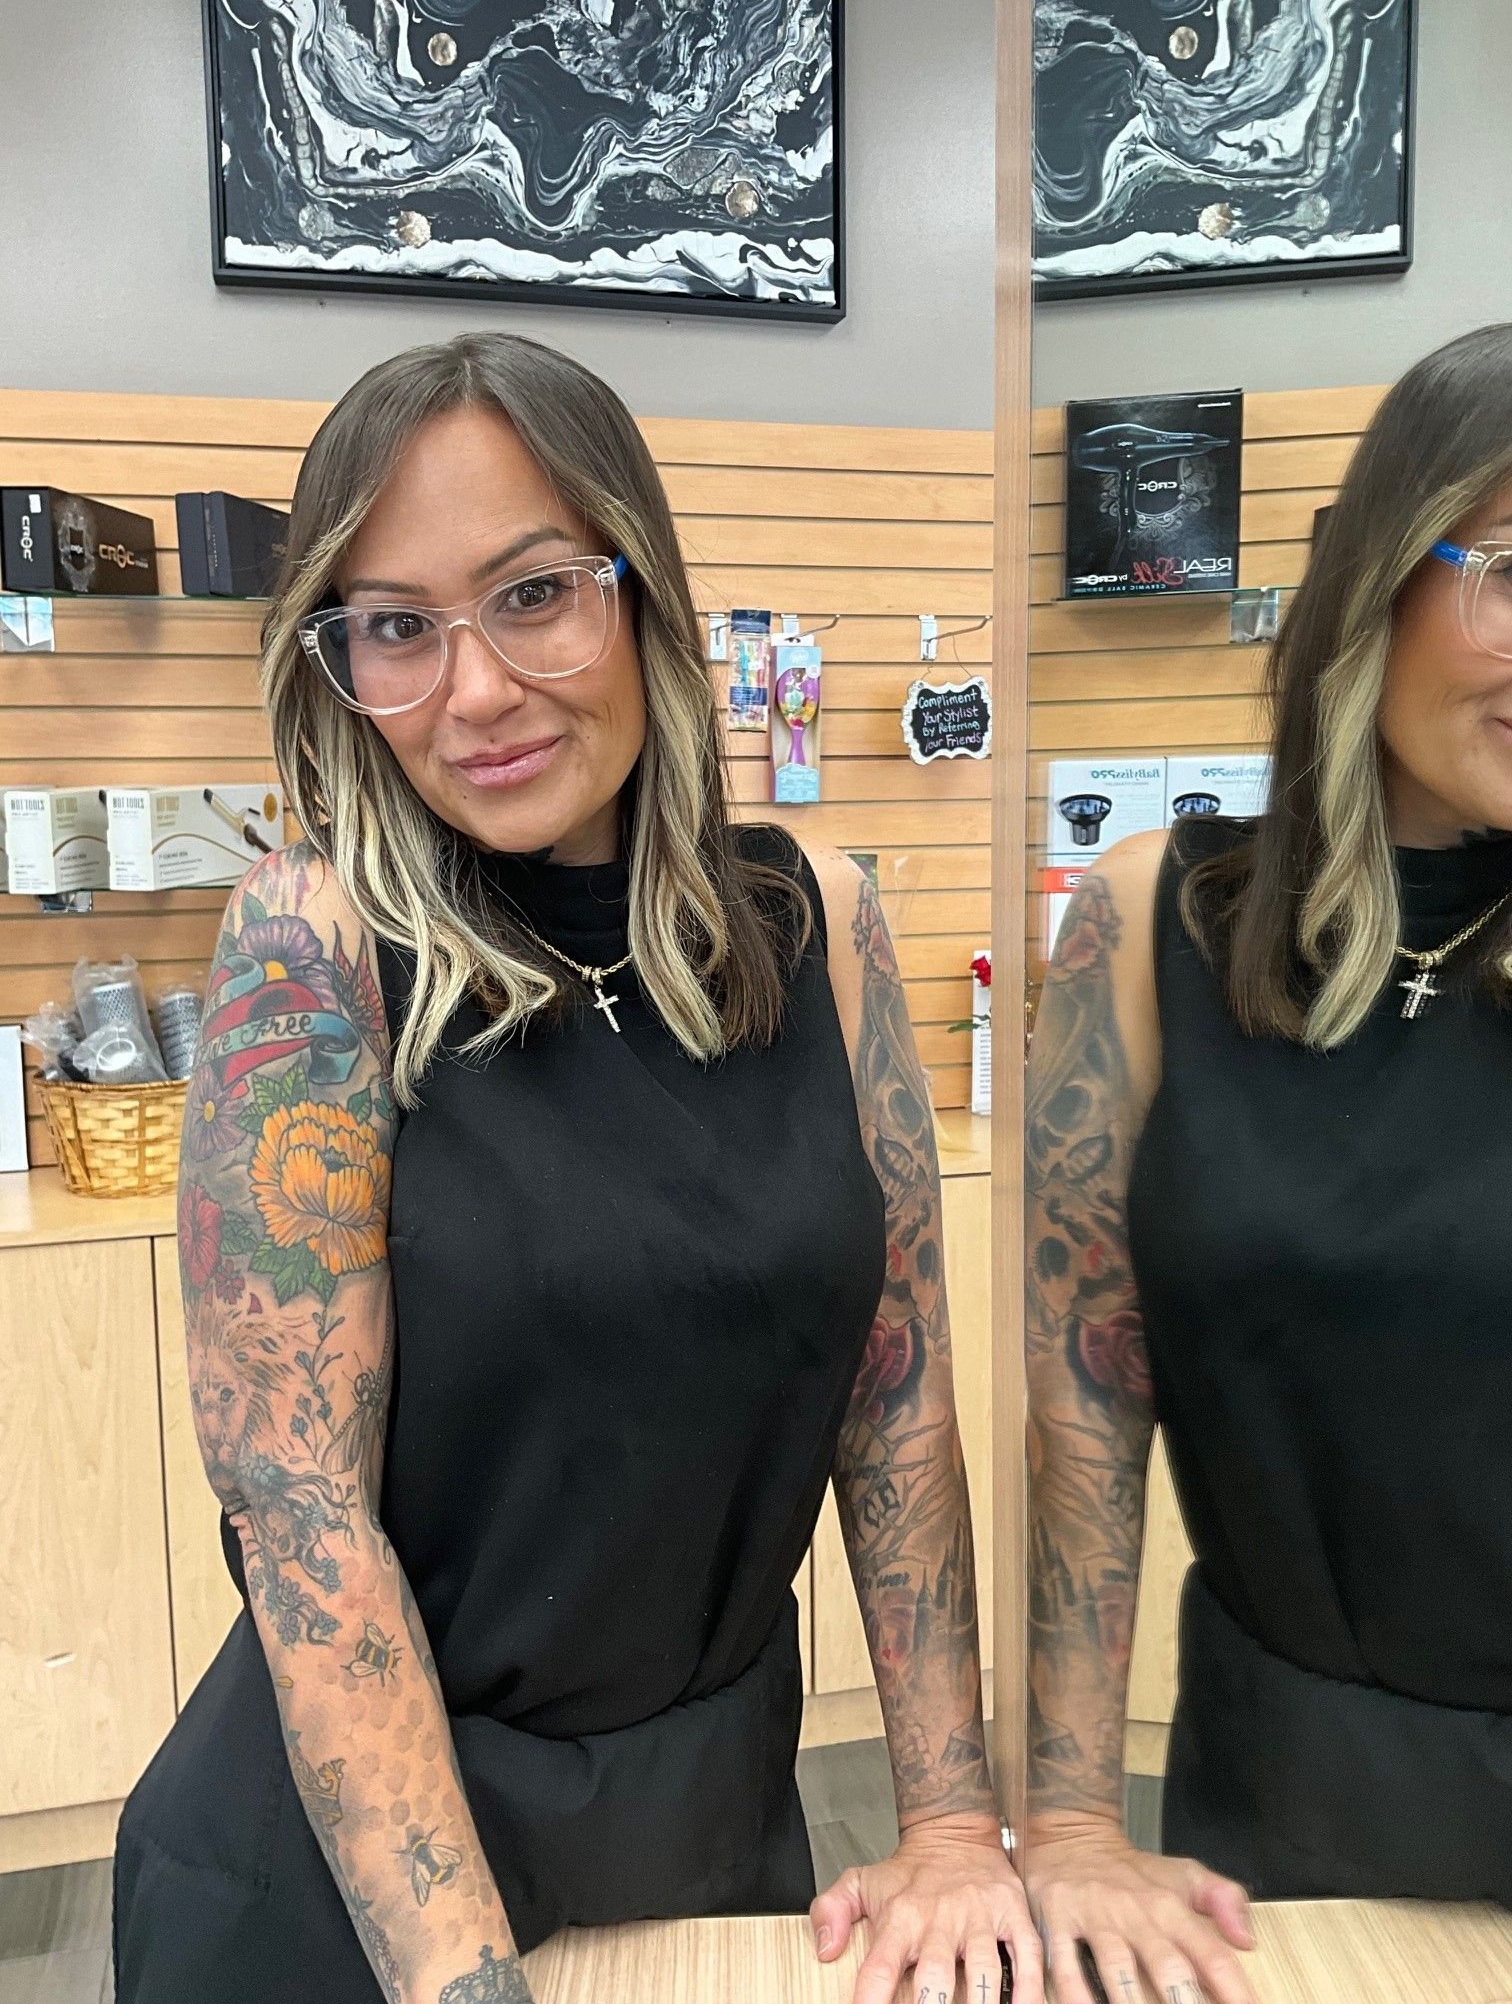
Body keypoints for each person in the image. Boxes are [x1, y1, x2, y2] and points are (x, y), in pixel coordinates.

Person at [111, 331, 1040, 2004]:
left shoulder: (819, 923)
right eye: (395, 627)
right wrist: (466, 1981)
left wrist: (954, 1821)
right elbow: (300, 1514)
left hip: (708, 1826)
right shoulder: (316, 945)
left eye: (533, 594)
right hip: (364, 1885)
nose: (472, 692)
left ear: (642, 590)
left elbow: (890, 1400)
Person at [1022, 321, 1512, 2004]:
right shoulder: (1158, 923)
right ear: (1382, 572)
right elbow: (1088, 1401)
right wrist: (1072, 1817)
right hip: (1271, 1804)